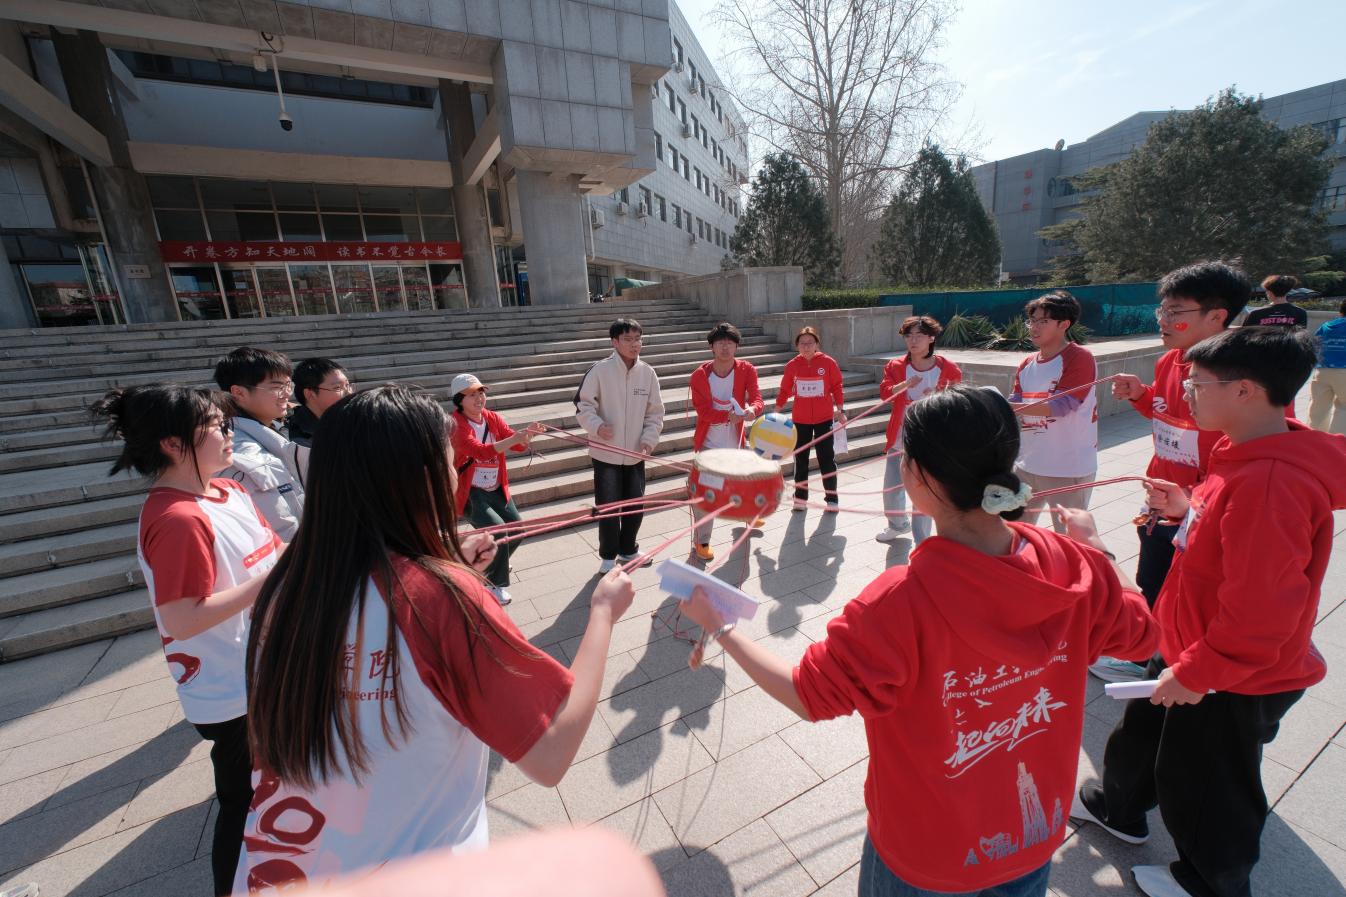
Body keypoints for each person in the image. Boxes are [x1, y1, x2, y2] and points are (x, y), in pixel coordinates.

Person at [679, 384, 1157, 897]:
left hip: (924, 856)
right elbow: (1142, 636)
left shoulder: (897, 603)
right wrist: (1099, 549)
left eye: (907, 455)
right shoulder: (1076, 565)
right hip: (1032, 839)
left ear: (919, 476)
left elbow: (807, 695)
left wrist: (721, 625)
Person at [238, 386, 637, 892]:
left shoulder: (287, 581)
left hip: (282, 864)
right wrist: (602, 614)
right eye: (448, 462)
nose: (454, 474)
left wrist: (442, 566)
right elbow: (550, 752)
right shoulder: (439, 601)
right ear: (420, 479)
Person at [1072, 327, 1346, 897]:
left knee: (1209, 782)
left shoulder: (1269, 482)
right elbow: (1227, 544)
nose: (1185, 394)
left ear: (1245, 390)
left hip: (1230, 671)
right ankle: (1118, 808)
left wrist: (1200, 674)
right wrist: (1185, 510)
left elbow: (1261, 610)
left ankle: (1211, 882)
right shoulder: (1243, 453)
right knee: (1142, 738)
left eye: (1197, 384)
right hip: (1189, 642)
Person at [91, 384, 281, 897]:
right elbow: (183, 619)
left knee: (270, 794)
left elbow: (274, 551)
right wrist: (270, 582)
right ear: (174, 444)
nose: (228, 433)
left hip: (265, 670)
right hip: (233, 690)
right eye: (216, 426)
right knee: (244, 805)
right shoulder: (177, 519)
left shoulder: (229, 492)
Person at [1102, 261, 1250, 683]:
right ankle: (1145, 655)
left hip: (1205, 510)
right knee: (1153, 576)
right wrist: (1141, 395)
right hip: (1162, 500)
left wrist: (1199, 502)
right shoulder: (1170, 361)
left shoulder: (1244, 375)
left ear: (1217, 316)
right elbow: (1166, 414)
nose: (1163, 320)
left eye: (1175, 312)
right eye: (1162, 310)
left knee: (1191, 590)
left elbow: (1254, 445)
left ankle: (1175, 664)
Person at [575, 319, 665, 573]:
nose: (635, 344)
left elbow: (655, 412)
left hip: (635, 454)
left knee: (636, 505)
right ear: (614, 342)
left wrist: (649, 440)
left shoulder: (648, 373)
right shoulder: (599, 371)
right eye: (628, 339)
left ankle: (628, 550)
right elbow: (583, 405)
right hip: (606, 454)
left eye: (638, 339)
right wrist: (597, 426)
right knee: (608, 507)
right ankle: (607, 556)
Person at [449, 373, 544, 605]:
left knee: (518, 528)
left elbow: (515, 443)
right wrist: (514, 439)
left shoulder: (491, 417)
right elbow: (479, 451)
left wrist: (527, 436)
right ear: (459, 400)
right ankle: (494, 585)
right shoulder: (455, 424)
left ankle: (493, 564)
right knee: (498, 532)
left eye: (481, 392)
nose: (479, 398)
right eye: (471, 395)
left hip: (496, 486)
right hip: (470, 492)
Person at [1009, 291, 1099, 534]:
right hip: (1027, 464)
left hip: (1067, 467)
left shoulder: (1078, 357)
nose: (1034, 327)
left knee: (1070, 536)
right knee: (1015, 531)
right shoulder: (1027, 363)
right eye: (1032, 321)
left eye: (1043, 321)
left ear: (1064, 324)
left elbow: (1062, 406)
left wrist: (1004, 406)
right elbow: (1016, 399)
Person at [875, 315, 961, 545]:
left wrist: (936, 398)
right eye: (908, 336)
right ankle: (897, 525)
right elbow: (884, 393)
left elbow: (956, 402)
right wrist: (905, 385)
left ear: (931, 338)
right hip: (900, 436)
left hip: (931, 440)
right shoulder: (896, 366)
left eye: (919, 335)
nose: (913, 340)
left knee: (924, 492)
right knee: (892, 487)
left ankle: (922, 541)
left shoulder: (947, 368)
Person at [212, 346, 307, 541]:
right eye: (276, 387)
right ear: (238, 392)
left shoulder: (270, 430)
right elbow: (280, 529)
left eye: (288, 385)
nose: (286, 394)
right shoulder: (239, 455)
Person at [688, 322, 764, 561]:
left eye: (730, 343)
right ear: (711, 347)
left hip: (737, 442)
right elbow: (702, 410)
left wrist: (752, 410)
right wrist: (727, 417)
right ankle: (702, 542)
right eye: (720, 342)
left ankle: (748, 514)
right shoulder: (700, 375)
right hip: (709, 446)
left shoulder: (746, 369)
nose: (725, 347)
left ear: (736, 346)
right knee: (706, 494)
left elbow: (757, 398)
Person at [775, 326, 845, 511]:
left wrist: (841, 409)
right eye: (802, 343)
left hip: (824, 419)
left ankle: (832, 499)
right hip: (801, 420)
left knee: (826, 459)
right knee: (801, 460)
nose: (806, 346)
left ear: (817, 344)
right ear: (797, 345)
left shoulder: (828, 363)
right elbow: (784, 390)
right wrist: (776, 410)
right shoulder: (792, 365)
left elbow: (837, 386)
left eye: (810, 343)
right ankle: (800, 499)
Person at [288, 357, 352, 447]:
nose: (349, 393)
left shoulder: (352, 422)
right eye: (337, 387)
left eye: (347, 385)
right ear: (310, 394)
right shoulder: (298, 441)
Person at [1308, 298, 1346, 434]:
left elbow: (1314, 345)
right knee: (1343, 409)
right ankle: (1338, 440)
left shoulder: (1326, 326)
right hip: (1344, 371)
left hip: (1322, 371)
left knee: (1318, 409)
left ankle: (1315, 438)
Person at [1243, 275, 1307, 329]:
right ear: (1287, 291)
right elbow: (1301, 336)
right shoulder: (1300, 313)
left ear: (1269, 292)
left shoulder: (1255, 314)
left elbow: (1245, 336)